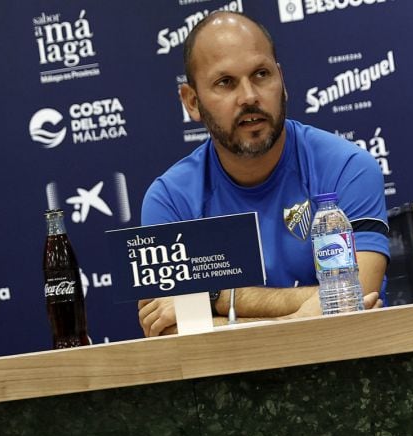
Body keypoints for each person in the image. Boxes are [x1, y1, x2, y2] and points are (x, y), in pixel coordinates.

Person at [137, 11, 389, 336]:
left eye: (261, 74)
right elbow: (167, 332)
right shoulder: (170, 199)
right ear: (192, 101)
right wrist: (297, 321)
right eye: (225, 82)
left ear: (281, 82)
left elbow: (355, 298)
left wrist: (215, 298)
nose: (249, 96)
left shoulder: (348, 168)